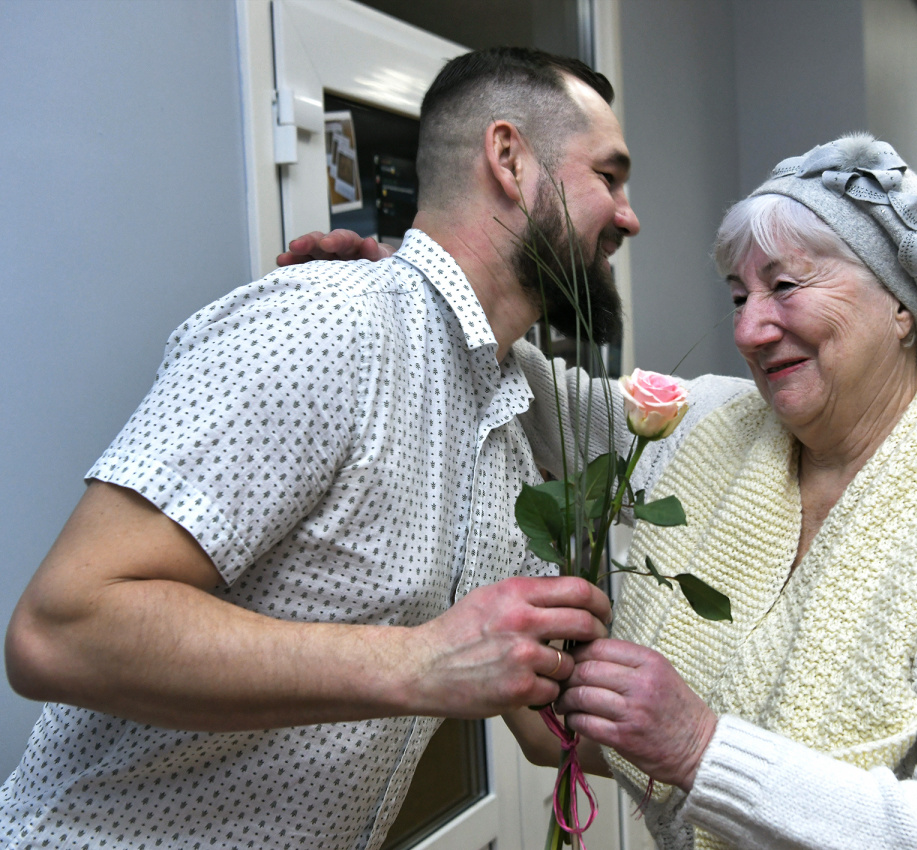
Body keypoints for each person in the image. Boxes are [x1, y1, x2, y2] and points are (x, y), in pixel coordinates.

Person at [1, 46, 640, 850]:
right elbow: (60, 630)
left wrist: (719, 753)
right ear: (509, 159)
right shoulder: (324, 325)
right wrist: (420, 663)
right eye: (608, 177)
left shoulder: (509, 410)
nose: (628, 217)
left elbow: (544, 727)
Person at [505, 134, 917, 850]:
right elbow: (543, 409)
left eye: (784, 287)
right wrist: (428, 294)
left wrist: (700, 749)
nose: (749, 330)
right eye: (738, 296)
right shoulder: (712, 427)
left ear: (902, 307)